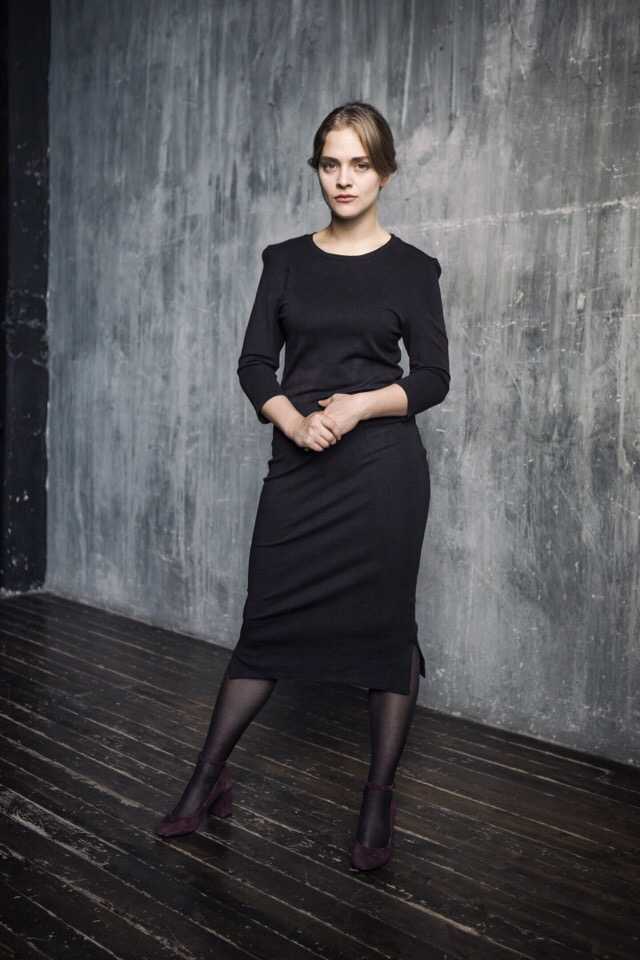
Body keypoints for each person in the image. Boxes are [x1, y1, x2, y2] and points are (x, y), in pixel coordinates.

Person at [155, 101, 450, 871]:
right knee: (267, 623)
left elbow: (433, 378)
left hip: (383, 474)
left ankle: (378, 797)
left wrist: (358, 406)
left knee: (387, 631)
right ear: (318, 169)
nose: (343, 179)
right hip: (300, 467)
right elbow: (255, 364)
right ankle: (207, 779)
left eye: (359, 164)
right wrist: (291, 419)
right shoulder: (284, 260)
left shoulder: (414, 269)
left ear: (385, 172)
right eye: (330, 163)